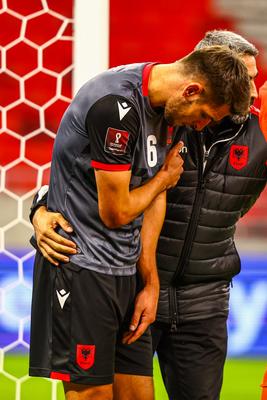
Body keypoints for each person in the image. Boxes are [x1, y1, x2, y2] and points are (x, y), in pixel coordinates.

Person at [29, 45, 250, 400]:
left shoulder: (169, 113)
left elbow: (153, 199)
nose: (201, 126)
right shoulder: (115, 105)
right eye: (206, 115)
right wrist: (163, 179)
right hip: (82, 267)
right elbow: (116, 211)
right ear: (191, 90)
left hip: (126, 275)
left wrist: (149, 281)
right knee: (93, 394)